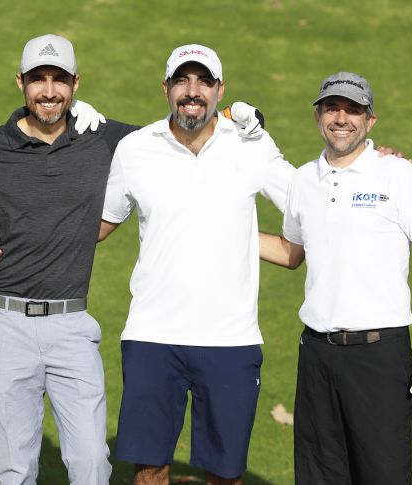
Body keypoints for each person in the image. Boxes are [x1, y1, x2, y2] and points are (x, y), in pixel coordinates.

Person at [0, 35, 265, 485]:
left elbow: (181, 127)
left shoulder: (107, 137)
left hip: (72, 324)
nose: (49, 91)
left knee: (92, 465)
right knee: (14, 471)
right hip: (6, 324)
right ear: (20, 83)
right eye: (38, 80)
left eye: (60, 80)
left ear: (75, 84)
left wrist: (231, 115)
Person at [95, 43, 296, 485]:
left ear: (220, 90)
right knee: (149, 471)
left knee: (224, 475)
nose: (193, 91)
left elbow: (309, 203)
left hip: (231, 340)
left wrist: (376, 165)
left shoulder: (250, 146)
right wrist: (18, 239)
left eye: (204, 81)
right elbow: (96, 226)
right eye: (182, 80)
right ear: (166, 88)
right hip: (152, 336)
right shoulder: (134, 149)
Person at [258, 71, 412, 485]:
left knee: (384, 476)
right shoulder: (304, 181)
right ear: (317, 116)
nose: (342, 117)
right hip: (316, 354)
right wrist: (226, 228)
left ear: (371, 120)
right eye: (332, 108)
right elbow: (292, 254)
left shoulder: (397, 174)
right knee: (318, 476)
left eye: (353, 109)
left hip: (379, 356)